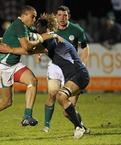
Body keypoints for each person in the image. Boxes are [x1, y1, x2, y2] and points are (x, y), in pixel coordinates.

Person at [0, 13, 90, 139]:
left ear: (47, 29)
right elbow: (28, 40)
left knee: (60, 96)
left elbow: (28, 48)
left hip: (79, 74)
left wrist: (9, 49)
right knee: (68, 112)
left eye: (38, 27)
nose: (35, 28)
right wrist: (2, 39)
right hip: (71, 76)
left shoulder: (53, 40)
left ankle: (79, 128)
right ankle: (81, 126)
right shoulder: (49, 38)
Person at [0, 5, 51, 132]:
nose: (34, 20)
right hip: (2, 67)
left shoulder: (24, 27)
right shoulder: (19, 25)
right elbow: (27, 47)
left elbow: (19, 42)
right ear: (24, 15)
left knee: (32, 81)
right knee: (6, 102)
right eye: (32, 16)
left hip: (14, 65)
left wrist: (51, 36)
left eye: (35, 17)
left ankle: (27, 116)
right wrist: (41, 43)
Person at [41, 5, 90, 133]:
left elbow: (85, 47)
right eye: (60, 15)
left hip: (73, 69)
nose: (62, 18)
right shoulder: (51, 30)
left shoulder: (77, 30)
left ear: (69, 16)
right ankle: (46, 125)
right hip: (56, 66)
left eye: (65, 15)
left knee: (68, 110)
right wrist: (39, 52)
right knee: (52, 93)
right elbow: (39, 43)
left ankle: (79, 126)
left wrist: (83, 63)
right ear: (55, 16)